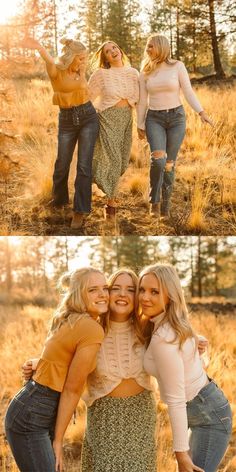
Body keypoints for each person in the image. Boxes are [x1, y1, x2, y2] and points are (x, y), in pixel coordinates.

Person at [22, 268, 208, 472]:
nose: (122, 294)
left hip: (140, 416)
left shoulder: (147, 329)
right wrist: (39, 362)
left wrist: (194, 340)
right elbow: (63, 353)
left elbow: (173, 335)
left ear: (136, 296)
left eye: (130, 289)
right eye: (115, 288)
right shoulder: (91, 328)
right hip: (104, 418)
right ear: (107, 293)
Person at [4, 267, 109, 472]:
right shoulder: (90, 327)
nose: (103, 294)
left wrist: (37, 363)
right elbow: (72, 388)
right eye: (93, 290)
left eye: (105, 288)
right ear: (78, 294)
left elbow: (58, 358)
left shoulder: (74, 318)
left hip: (33, 406)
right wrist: (59, 441)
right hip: (32, 416)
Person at [138, 263, 232, 472]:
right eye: (142, 290)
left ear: (170, 295)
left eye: (154, 291)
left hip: (208, 417)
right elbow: (193, 363)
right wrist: (195, 344)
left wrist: (180, 454)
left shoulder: (165, 335)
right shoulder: (167, 323)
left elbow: (176, 399)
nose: (145, 297)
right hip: (205, 406)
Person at [22, 37, 99, 229]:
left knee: (83, 166)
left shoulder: (80, 70)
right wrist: (39, 46)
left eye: (84, 58)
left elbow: (85, 92)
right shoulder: (56, 71)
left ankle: (80, 211)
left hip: (88, 116)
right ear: (71, 57)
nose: (83, 62)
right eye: (80, 58)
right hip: (66, 119)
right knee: (62, 163)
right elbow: (49, 60)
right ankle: (59, 200)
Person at [137, 34, 213, 219]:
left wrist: (201, 112)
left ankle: (166, 205)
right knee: (159, 160)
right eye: (147, 46)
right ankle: (154, 201)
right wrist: (140, 124)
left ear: (161, 47)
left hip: (177, 118)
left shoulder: (177, 66)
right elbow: (142, 101)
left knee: (170, 164)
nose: (147, 49)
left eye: (151, 46)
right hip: (154, 119)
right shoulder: (145, 71)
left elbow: (187, 91)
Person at [88, 41, 139, 216]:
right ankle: (111, 204)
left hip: (126, 119)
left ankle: (93, 179)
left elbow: (140, 101)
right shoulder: (101, 74)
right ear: (106, 58)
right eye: (108, 51)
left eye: (114, 47)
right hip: (107, 118)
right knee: (115, 159)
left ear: (120, 49)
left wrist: (141, 124)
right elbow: (87, 97)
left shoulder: (133, 73)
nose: (113, 52)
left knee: (123, 160)